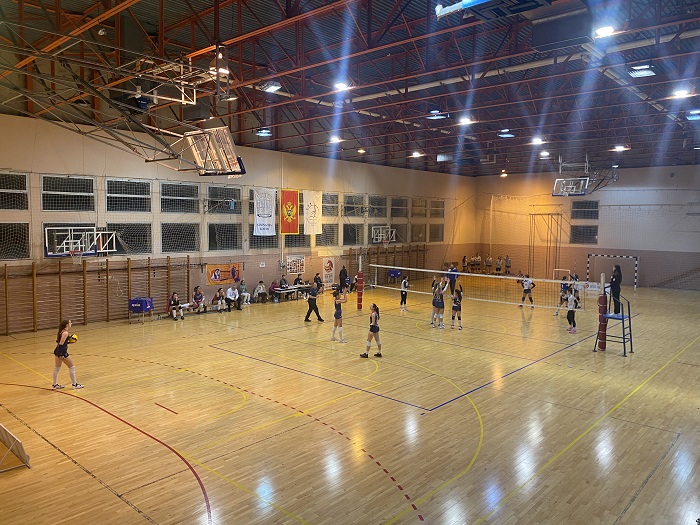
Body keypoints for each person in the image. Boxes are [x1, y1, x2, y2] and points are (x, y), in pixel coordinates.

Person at [52, 319, 84, 390]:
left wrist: (69, 342)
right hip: (62, 352)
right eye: (70, 322)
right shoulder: (65, 333)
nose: (71, 323)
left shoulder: (62, 331)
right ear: (67, 324)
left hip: (57, 351)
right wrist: (62, 355)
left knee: (57, 368)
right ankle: (74, 385)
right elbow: (61, 344)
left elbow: (59, 342)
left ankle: (54, 385)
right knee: (72, 367)